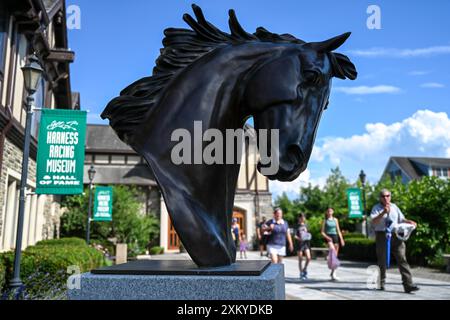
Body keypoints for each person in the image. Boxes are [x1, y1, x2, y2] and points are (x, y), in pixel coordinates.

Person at [371, 189, 419, 293]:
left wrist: (409, 221)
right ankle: (381, 283)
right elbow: (373, 222)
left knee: (402, 259)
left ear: (390, 196)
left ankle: (408, 285)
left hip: (396, 235)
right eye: (383, 196)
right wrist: (383, 212)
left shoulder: (394, 207)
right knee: (382, 261)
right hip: (382, 236)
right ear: (380, 198)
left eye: (388, 196)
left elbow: (401, 219)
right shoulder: (376, 208)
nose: (386, 198)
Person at [321, 207, 345, 280]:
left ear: (333, 212)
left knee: (335, 256)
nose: (329, 212)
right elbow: (322, 232)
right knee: (332, 249)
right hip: (329, 236)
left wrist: (341, 239)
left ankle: (333, 273)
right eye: (328, 211)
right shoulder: (325, 220)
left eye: (331, 210)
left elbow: (338, 230)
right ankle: (329, 259)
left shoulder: (335, 220)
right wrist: (327, 237)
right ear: (326, 212)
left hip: (335, 236)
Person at [295, 213, 312, 280]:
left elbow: (309, 233)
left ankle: (304, 269)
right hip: (299, 243)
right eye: (301, 217)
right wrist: (299, 238)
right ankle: (301, 273)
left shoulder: (307, 225)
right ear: (299, 218)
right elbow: (294, 235)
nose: (303, 218)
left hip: (306, 243)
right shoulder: (297, 226)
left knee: (308, 257)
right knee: (300, 259)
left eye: (304, 217)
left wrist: (308, 236)